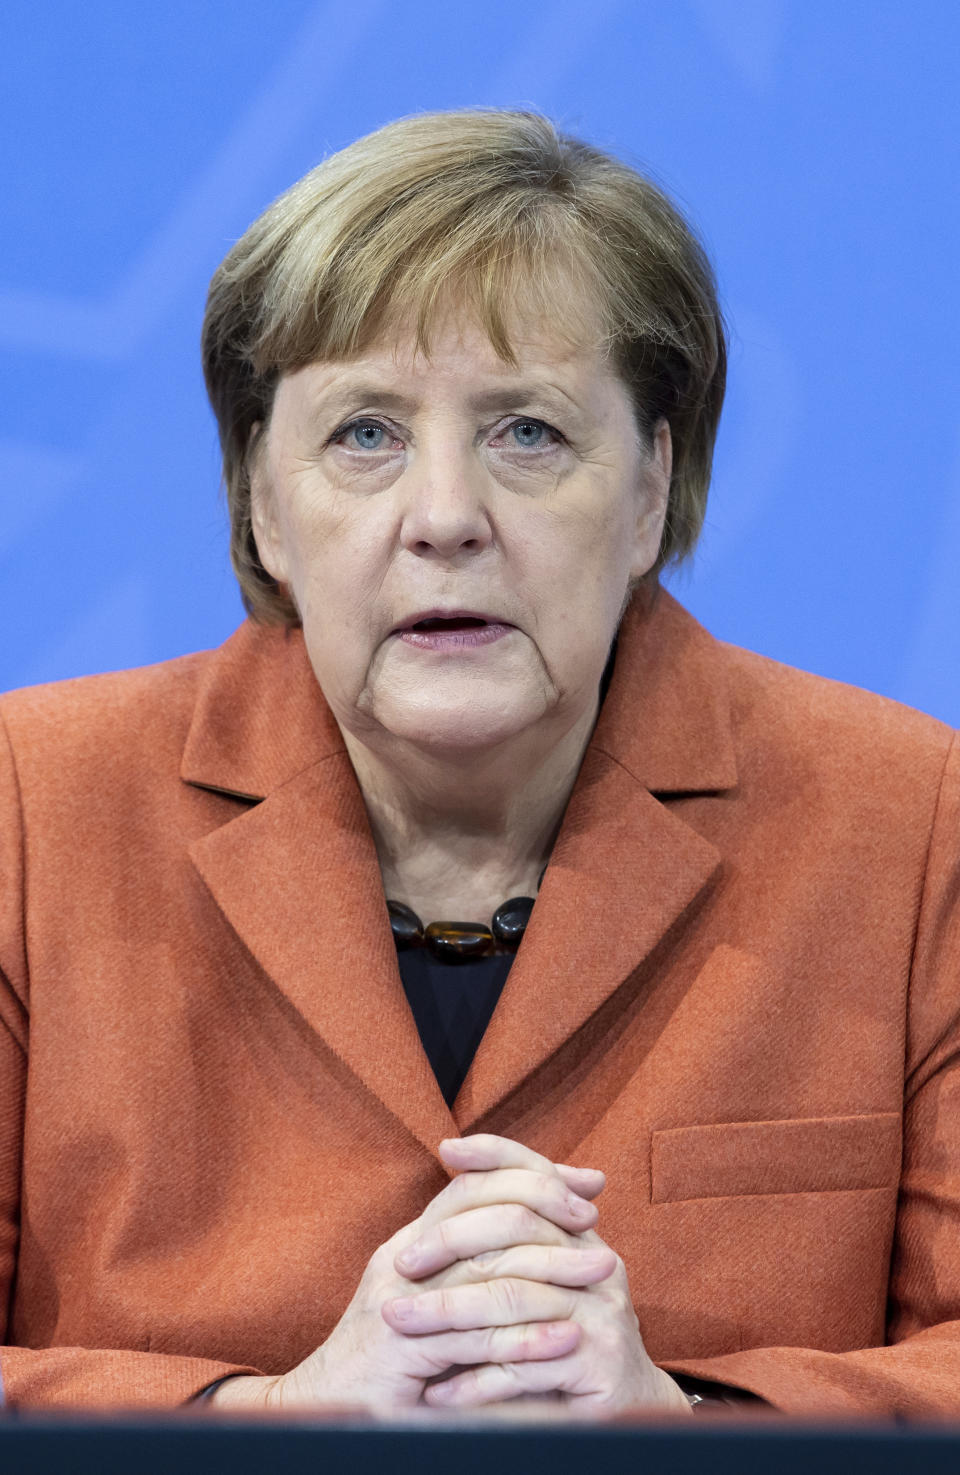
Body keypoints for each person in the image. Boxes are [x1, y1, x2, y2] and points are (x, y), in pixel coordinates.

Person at [1, 107, 958, 1419]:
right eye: (364, 434)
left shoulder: (909, 822)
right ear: (264, 506)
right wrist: (266, 1422)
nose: (445, 519)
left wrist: (684, 1422)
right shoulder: (29, 809)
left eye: (527, 433)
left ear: (647, 490)